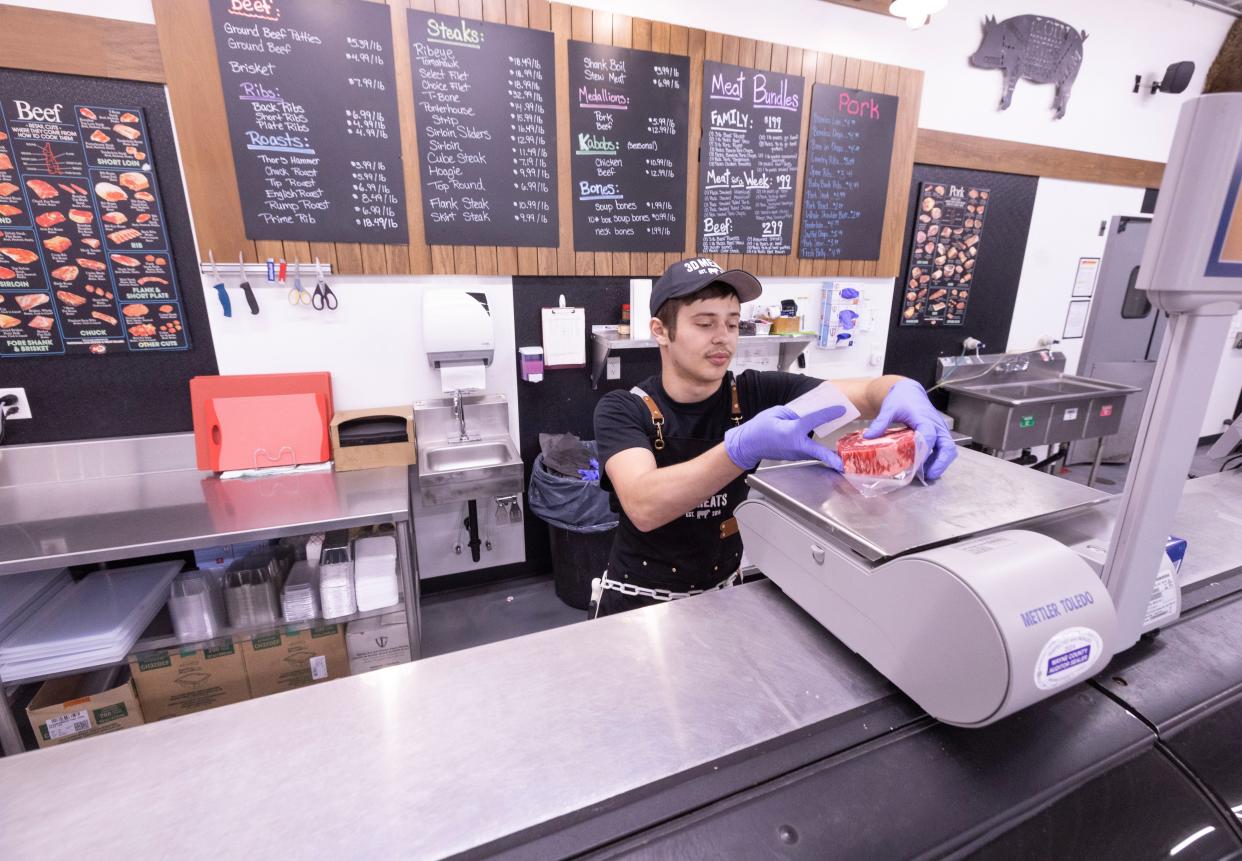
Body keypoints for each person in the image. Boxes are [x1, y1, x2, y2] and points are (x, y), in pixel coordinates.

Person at [590, 256, 957, 617]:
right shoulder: (624, 408)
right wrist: (740, 448)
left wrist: (903, 389)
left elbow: (867, 392)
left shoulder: (757, 394)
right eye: (705, 324)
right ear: (660, 331)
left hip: (724, 595)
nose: (722, 338)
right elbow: (643, 505)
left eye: (733, 324)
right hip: (638, 606)